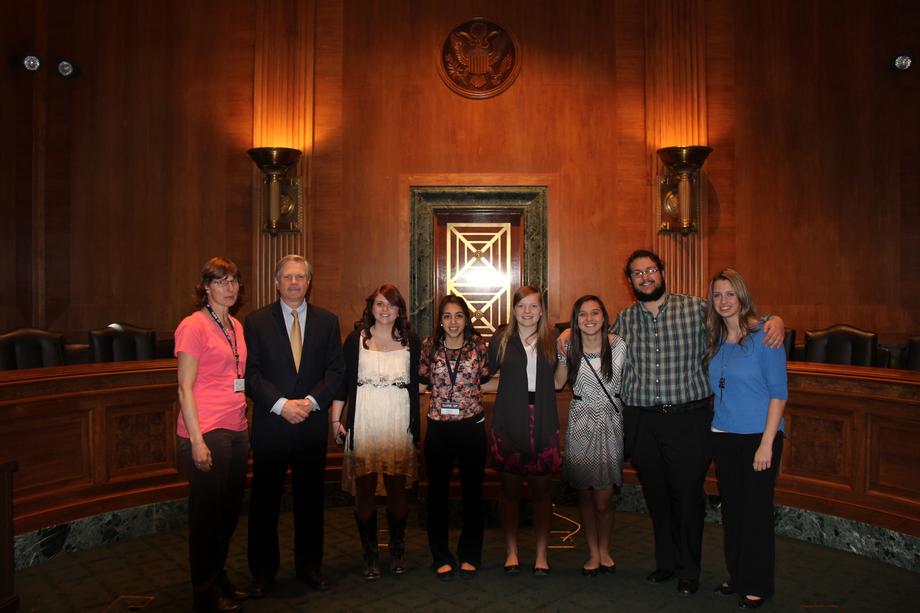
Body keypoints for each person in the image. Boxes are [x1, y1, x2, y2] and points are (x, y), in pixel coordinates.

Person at [612, 250, 784, 597]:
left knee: (688, 497)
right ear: (630, 282)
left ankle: (689, 571)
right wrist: (568, 334)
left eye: (650, 270)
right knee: (656, 496)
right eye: (637, 273)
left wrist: (774, 319)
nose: (645, 277)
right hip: (643, 421)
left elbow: (738, 315)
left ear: (662, 273)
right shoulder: (625, 318)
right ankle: (666, 564)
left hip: (688, 419)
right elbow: (595, 336)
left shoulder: (695, 309)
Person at [244, 254, 344, 598]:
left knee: (310, 503)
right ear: (276, 283)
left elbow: (336, 372)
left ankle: (309, 567)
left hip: (310, 426)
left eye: (300, 277)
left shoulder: (328, 321)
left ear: (309, 282)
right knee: (264, 504)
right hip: (272, 427)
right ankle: (262, 573)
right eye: (287, 277)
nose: (294, 282)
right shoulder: (255, 322)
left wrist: (312, 403)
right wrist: (282, 405)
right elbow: (251, 374)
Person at [705, 269, 787, 610]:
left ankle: (757, 585)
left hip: (759, 437)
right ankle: (738, 576)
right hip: (724, 436)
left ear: (742, 297)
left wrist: (767, 444)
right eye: (718, 295)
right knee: (734, 513)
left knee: (756, 515)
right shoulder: (715, 339)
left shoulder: (765, 337)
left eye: (730, 294)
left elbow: (778, 394)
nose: (724, 301)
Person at [175, 257, 250, 613]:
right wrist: (197, 440)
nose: (230, 287)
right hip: (206, 429)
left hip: (236, 428)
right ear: (205, 286)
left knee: (228, 513)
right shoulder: (193, 325)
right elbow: (184, 388)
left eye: (233, 280)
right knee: (206, 516)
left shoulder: (234, 324)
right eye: (221, 281)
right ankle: (203, 592)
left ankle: (218, 576)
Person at [331, 284, 420, 580]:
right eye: (380, 304)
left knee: (397, 490)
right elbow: (342, 384)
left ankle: (396, 548)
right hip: (365, 420)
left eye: (391, 305)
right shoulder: (356, 340)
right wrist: (335, 420)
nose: (385, 310)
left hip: (397, 421)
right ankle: (370, 552)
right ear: (371, 307)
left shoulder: (411, 341)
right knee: (365, 490)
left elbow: (420, 381)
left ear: (400, 310)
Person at [488, 285, 561, 577]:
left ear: (541, 310)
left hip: (542, 418)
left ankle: (542, 554)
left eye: (533, 306)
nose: (527, 312)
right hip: (509, 419)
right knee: (509, 491)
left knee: (543, 492)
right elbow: (486, 374)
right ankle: (512, 551)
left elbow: (561, 377)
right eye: (521, 306)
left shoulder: (554, 339)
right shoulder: (501, 339)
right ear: (514, 310)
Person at [418, 295, 491, 581]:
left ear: (466, 319)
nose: (452, 322)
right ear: (440, 320)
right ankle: (440, 555)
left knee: (473, 494)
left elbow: (485, 379)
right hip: (438, 428)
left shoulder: (478, 347)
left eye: (458, 315)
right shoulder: (429, 347)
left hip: (472, 427)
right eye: (447, 316)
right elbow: (421, 380)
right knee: (437, 495)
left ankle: (471, 554)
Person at [554, 295, 627, 577]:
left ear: (604, 316)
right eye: (582, 315)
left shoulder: (619, 345)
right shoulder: (568, 346)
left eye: (595, 313)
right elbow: (559, 382)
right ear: (576, 320)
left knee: (604, 498)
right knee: (585, 494)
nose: (589, 319)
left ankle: (605, 548)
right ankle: (593, 552)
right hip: (581, 419)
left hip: (610, 421)